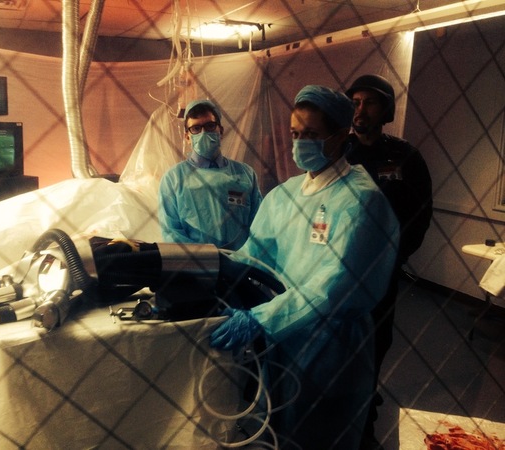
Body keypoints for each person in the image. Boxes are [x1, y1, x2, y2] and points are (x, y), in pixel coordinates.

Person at [209, 85, 400, 449]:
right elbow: (252, 254)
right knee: (277, 430)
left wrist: (261, 318)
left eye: (311, 134)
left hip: (331, 345)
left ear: (340, 135)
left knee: (320, 435)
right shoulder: (286, 194)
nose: (299, 144)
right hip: (284, 335)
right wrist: (209, 272)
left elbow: (333, 286)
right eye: (295, 134)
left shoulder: (361, 200)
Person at [344, 74, 433, 450]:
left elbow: (420, 213)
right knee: (341, 342)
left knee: (376, 340)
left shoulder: (405, 157)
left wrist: (395, 258)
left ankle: (364, 415)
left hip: (382, 272)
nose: (360, 110)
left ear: (386, 110)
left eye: (370, 102)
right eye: (355, 102)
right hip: (341, 270)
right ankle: (340, 407)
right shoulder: (340, 153)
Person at [158, 99, 263, 251]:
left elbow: (259, 224)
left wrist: (246, 256)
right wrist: (202, 258)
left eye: (210, 126)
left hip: (242, 260)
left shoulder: (246, 174)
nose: (204, 133)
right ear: (187, 137)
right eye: (196, 128)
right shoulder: (173, 179)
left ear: (221, 131)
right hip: (196, 262)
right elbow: (171, 232)